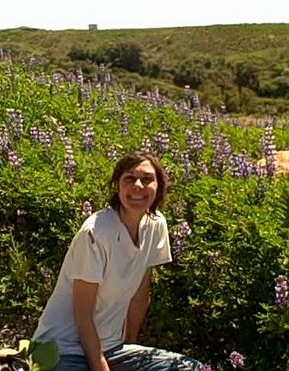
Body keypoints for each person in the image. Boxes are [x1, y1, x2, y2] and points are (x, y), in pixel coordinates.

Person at [32, 151, 203, 371]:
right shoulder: (95, 233)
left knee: (191, 368)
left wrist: (130, 345)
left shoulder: (156, 225)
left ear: (159, 186)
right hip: (61, 348)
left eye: (147, 179)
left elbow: (141, 294)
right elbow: (82, 312)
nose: (138, 186)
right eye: (129, 179)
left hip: (111, 346)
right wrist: (101, 367)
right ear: (117, 186)